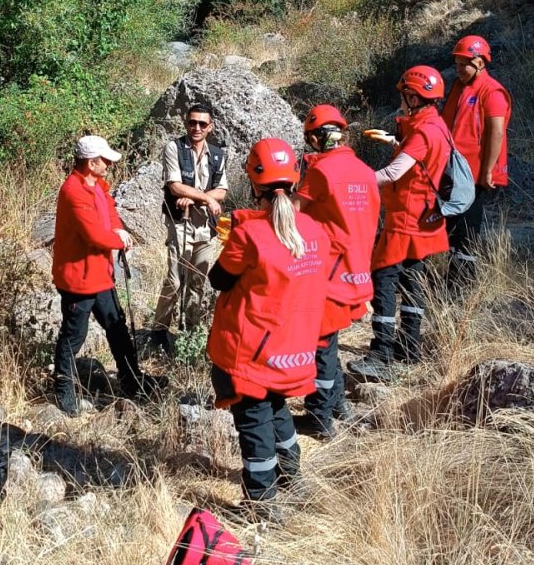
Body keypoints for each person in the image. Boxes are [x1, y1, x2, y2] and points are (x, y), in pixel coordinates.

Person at [207, 139, 332, 522]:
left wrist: (241, 229)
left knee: (254, 419)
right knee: (278, 409)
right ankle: (292, 476)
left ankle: (261, 504)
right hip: (292, 349)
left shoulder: (247, 236)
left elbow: (219, 279)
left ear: (254, 183)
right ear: (296, 180)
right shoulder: (315, 231)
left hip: (249, 352)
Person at [350, 66, 450, 383]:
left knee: (383, 277)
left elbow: (394, 173)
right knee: (413, 279)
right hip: (423, 216)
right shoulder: (434, 124)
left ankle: (382, 354)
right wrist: (395, 140)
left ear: (413, 96)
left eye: (404, 95)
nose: (402, 101)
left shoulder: (422, 133)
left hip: (406, 218)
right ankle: (409, 349)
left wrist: (353, 179)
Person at [51, 135, 162, 415]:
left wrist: (119, 230)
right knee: (73, 337)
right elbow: (93, 235)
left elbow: (110, 216)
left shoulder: (97, 185)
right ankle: (64, 391)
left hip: (100, 274)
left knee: (117, 328)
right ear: (91, 162)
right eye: (105, 160)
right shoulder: (73, 192)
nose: (110, 164)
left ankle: (132, 380)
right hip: (78, 279)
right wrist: (120, 240)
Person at [296, 105, 380, 438]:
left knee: (319, 343)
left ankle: (319, 418)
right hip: (356, 271)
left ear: (316, 139)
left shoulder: (321, 173)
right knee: (330, 341)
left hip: (328, 271)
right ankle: (336, 405)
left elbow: (293, 212)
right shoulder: (364, 170)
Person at [151, 100, 228, 346]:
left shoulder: (218, 154)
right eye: (192, 122)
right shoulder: (174, 148)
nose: (196, 127)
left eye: (201, 123)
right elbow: (174, 186)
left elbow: (222, 191)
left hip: (206, 225)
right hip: (179, 222)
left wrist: (193, 197)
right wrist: (205, 197)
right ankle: (159, 330)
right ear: (186, 123)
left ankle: (191, 331)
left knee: (197, 279)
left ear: (210, 127)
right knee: (175, 279)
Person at [442, 34, 511, 286]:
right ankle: (452, 278)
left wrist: (489, 170)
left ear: (480, 63)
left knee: (467, 229)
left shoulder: (492, 92)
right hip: (454, 169)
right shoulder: (460, 87)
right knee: (453, 226)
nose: (458, 69)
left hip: (473, 172)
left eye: (464, 64)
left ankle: (463, 284)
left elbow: (497, 132)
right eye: (457, 64)